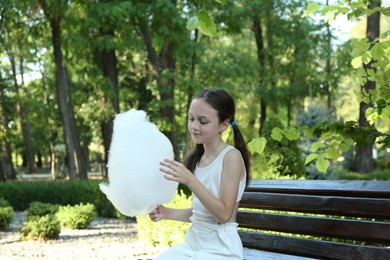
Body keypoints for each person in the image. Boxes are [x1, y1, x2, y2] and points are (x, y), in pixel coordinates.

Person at [148, 88, 251, 259]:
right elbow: (202, 213)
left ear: (223, 125)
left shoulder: (231, 157)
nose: (194, 126)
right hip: (193, 245)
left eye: (203, 121)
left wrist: (191, 180)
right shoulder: (198, 159)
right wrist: (166, 213)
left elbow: (224, 215)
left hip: (222, 249)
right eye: (191, 119)